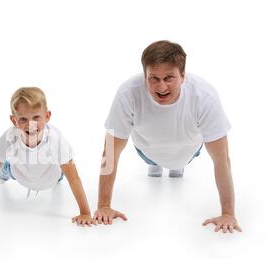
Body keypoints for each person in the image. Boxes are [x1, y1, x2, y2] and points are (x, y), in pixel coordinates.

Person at [94, 40, 242, 233]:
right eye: (153, 78)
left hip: (187, 151)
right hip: (147, 149)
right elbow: (111, 152)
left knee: (179, 163)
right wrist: (103, 205)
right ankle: (156, 164)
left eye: (169, 78)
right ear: (144, 75)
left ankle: (176, 166)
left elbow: (221, 159)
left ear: (183, 76)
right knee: (152, 160)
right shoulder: (127, 93)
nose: (161, 86)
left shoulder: (204, 96)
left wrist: (228, 213)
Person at [0, 87, 94, 226]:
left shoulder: (55, 139)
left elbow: (74, 178)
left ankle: (58, 174)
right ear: (14, 120)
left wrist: (85, 213)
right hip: (19, 174)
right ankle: (3, 173)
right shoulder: (10, 137)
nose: (31, 124)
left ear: (47, 116)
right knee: (5, 168)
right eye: (23, 119)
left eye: (36, 117)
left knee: (63, 171)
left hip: (52, 176)